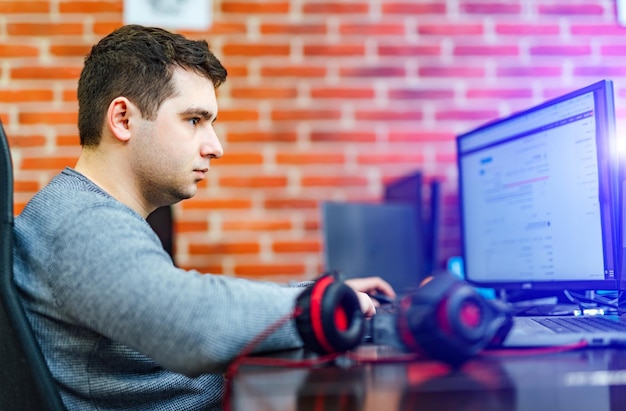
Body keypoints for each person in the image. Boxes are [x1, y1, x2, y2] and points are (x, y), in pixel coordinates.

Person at [12, 25, 395, 410]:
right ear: (123, 119)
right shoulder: (83, 223)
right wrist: (317, 306)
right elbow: (190, 325)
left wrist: (318, 295)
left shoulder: (79, 212)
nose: (216, 147)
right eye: (194, 120)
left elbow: (184, 300)